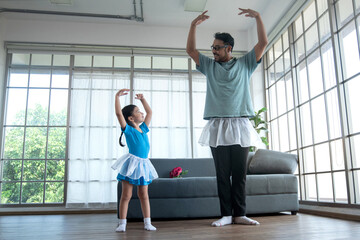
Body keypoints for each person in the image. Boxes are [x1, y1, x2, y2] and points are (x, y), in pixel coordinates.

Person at [186, 8, 268, 227]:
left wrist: (259, 18)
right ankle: (226, 215)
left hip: (240, 124)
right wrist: (193, 25)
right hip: (218, 125)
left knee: (239, 174)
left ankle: (240, 214)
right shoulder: (209, 67)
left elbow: (262, 44)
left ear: (228, 48)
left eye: (216, 47)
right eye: (212, 47)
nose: (213, 50)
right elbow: (191, 50)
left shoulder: (244, 64)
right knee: (222, 174)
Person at [111, 89, 158, 232]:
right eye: (138, 111)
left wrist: (143, 100)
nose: (142, 113)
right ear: (131, 118)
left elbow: (150, 113)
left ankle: (147, 223)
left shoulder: (143, 128)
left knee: (144, 194)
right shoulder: (128, 130)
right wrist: (117, 97)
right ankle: (122, 223)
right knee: (126, 195)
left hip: (143, 164)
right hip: (131, 164)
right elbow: (119, 114)